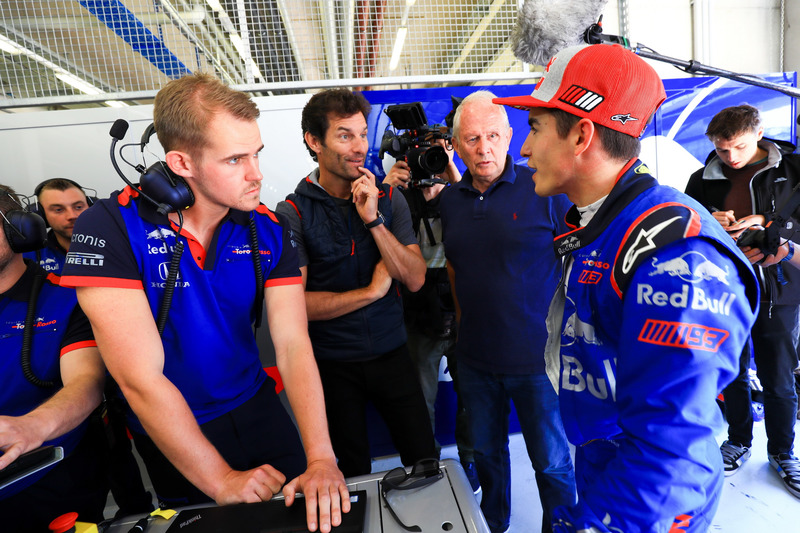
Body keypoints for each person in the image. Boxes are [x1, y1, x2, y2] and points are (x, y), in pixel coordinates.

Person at [60, 73, 349, 533]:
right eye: (235, 159)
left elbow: (293, 344)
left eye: (256, 154)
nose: (256, 174)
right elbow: (140, 380)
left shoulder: (267, 227)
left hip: (257, 405)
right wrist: (219, 479)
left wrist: (321, 458)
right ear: (181, 162)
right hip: (176, 428)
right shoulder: (111, 226)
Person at [493, 43, 760, 532]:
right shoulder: (604, 223)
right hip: (605, 462)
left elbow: (671, 455)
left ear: (581, 134)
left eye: (533, 129)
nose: (524, 149)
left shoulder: (675, 254)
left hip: (645, 502)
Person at [275, 88, 437, 478]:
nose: (360, 146)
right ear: (314, 142)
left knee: (426, 462)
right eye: (345, 135)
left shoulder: (388, 198)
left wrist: (374, 221)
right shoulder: (292, 211)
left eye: (363, 134)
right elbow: (296, 307)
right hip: (332, 366)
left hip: (393, 354)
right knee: (350, 476)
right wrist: (371, 291)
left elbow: (414, 279)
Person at [438, 90, 576, 533]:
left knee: (553, 465)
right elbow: (457, 269)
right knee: (487, 458)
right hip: (476, 361)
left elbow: (576, 266)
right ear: (456, 145)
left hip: (539, 362)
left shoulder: (545, 191)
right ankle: (493, 524)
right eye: (473, 138)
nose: (484, 148)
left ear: (510, 136)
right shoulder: (450, 202)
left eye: (493, 135)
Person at [685, 104, 800, 498]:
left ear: (759, 133)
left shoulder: (794, 171)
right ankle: (737, 440)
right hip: (723, 289)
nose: (730, 157)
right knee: (730, 371)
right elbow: (683, 227)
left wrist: (767, 224)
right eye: (721, 150)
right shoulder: (700, 179)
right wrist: (709, 222)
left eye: (737, 147)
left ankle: (784, 452)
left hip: (779, 289)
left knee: (778, 376)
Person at [0, 184, 109, 532]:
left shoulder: (67, 297)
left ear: (17, 229)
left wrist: (30, 427)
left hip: (47, 482)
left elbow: (87, 383)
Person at [382, 141, 481, 494]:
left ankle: (469, 458)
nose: (428, 169)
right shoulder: (397, 200)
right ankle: (427, 463)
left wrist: (451, 171)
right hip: (417, 315)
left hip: (462, 312)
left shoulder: (459, 194)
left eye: (435, 157)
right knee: (419, 403)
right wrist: (386, 190)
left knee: (472, 398)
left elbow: (479, 212)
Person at [23, 178, 91, 274]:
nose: (72, 216)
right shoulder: (27, 256)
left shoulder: (114, 245)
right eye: (59, 209)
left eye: (78, 207)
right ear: (40, 215)